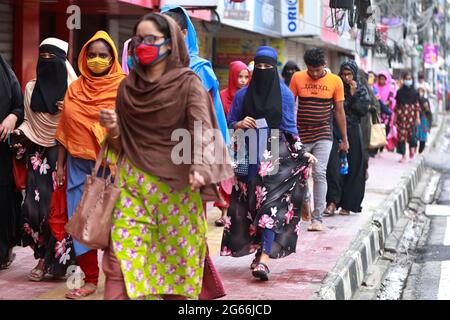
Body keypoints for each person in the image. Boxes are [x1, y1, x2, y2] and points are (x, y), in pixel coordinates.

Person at [99, 13, 233, 300]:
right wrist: (112, 130)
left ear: (171, 44)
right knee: (119, 264)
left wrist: (200, 167)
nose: (142, 45)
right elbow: (120, 145)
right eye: (138, 39)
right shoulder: (127, 87)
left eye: (151, 40)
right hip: (132, 190)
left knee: (175, 273)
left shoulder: (188, 83)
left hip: (178, 191)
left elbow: (202, 129)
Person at [220, 46, 317, 281]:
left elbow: (289, 128)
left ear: (274, 69)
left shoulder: (284, 94)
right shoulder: (243, 95)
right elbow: (230, 122)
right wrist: (240, 123)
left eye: (268, 67)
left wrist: (302, 152)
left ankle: (264, 259)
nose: (263, 71)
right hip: (247, 152)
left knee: (270, 206)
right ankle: (259, 251)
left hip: (275, 153)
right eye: (259, 66)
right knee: (252, 206)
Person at [55, 31, 126, 299]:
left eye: (103, 56)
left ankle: (118, 280)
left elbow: (130, 129)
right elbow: (65, 128)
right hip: (77, 166)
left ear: (113, 58)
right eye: (92, 55)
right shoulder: (74, 88)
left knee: (114, 224)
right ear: (84, 57)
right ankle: (90, 280)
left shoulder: (124, 86)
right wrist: (60, 165)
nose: (97, 60)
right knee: (82, 223)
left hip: (113, 166)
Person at [11, 38, 78, 281]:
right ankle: (41, 255)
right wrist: (19, 133)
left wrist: (70, 109)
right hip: (38, 156)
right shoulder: (30, 89)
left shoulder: (76, 90)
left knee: (59, 211)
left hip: (66, 155)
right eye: (43, 58)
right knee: (34, 210)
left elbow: (81, 127)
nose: (47, 64)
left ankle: (50, 263)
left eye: (53, 59)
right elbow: (29, 122)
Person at [289, 47, 349, 232]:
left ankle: (318, 218)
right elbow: (290, 106)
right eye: (311, 70)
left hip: (324, 134)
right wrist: (290, 134)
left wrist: (344, 139)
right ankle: (305, 203)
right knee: (301, 174)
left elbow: (339, 111)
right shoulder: (297, 78)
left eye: (318, 70)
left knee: (319, 173)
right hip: (302, 134)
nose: (314, 74)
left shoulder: (335, 81)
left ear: (325, 65)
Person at [161, 5, 229, 145]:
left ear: (184, 33)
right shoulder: (155, 67)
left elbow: (204, 116)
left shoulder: (200, 69)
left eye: (171, 33)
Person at [325, 60, 369, 217]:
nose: (346, 77)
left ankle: (348, 204)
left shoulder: (360, 89)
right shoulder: (335, 87)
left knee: (355, 168)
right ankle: (332, 202)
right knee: (333, 168)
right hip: (335, 131)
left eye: (349, 74)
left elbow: (363, 110)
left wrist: (353, 94)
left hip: (353, 131)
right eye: (343, 74)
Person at [214, 61, 250, 227]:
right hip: (226, 140)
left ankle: (239, 213)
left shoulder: (250, 95)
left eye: (246, 77)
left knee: (241, 177)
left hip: (245, 141)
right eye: (239, 76)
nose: (243, 80)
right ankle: (224, 212)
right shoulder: (221, 96)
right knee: (226, 178)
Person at [0, 54, 23, 270]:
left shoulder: (6, 73)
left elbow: (19, 105)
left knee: (3, 201)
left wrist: (13, 117)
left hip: (1, 152)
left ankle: (2, 252)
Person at [358, 69, 381, 180]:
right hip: (351, 125)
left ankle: (364, 170)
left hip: (364, 125)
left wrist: (367, 108)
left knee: (363, 148)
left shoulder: (367, 90)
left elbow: (375, 105)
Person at [394, 72, 420, 163]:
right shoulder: (399, 92)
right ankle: (403, 155)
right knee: (401, 137)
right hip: (401, 118)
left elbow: (417, 106)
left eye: (410, 79)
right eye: (406, 79)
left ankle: (412, 151)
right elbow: (397, 106)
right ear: (403, 80)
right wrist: (395, 117)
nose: (408, 81)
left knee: (412, 136)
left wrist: (417, 117)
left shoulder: (415, 92)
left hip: (411, 118)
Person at [373, 71, 396, 154]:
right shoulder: (375, 87)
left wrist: (381, 102)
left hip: (386, 114)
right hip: (377, 112)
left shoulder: (390, 89)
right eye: (380, 78)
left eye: (383, 79)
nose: (381, 80)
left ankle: (382, 146)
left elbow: (390, 100)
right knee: (376, 128)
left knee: (385, 130)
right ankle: (375, 147)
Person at [416, 87, 433, 154]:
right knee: (415, 136)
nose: (420, 93)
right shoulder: (415, 100)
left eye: (422, 91)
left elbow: (429, 112)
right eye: (419, 91)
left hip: (424, 120)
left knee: (423, 137)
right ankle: (414, 151)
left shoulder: (425, 100)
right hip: (416, 119)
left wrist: (426, 108)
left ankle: (420, 151)